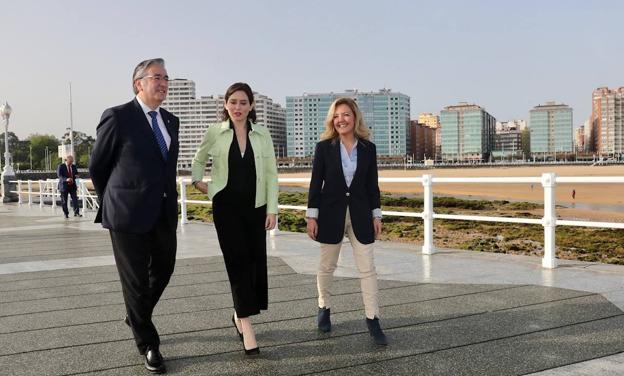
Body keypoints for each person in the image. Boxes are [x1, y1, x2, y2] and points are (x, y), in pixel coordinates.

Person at [89, 58, 179, 374]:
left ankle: (135, 313)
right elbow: (98, 166)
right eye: (157, 77)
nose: (164, 83)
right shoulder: (118, 117)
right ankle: (149, 344)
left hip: (164, 212)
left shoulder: (171, 121)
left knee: (165, 268)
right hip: (126, 214)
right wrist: (113, 200)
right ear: (138, 82)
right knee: (136, 281)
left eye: (167, 77)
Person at [191, 82, 278, 356]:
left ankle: (238, 313)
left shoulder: (262, 134)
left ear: (251, 105)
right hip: (226, 208)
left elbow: (273, 174)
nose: (238, 107)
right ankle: (246, 326)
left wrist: (272, 209)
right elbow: (198, 159)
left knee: (253, 264)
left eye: (243, 102)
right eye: (233, 102)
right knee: (236, 262)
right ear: (225, 105)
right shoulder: (215, 132)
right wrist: (200, 183)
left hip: (255, 207)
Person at [306, 97, 388, 345]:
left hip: (361, 215)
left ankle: (373, 320)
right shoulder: (324, 147)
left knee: (368, 268)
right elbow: (315, 183)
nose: (341, 119)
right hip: (330, 214)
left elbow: (372, 186)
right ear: (332, 120)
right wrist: (312, 215)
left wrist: (376, 215)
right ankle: (324, 308)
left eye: (346, 115)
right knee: (327, 266)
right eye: (336, 115)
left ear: (355, 118)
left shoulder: (368, 148)